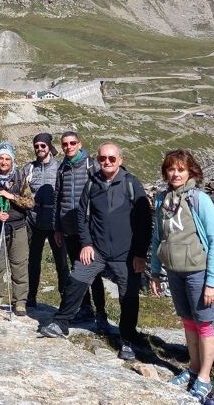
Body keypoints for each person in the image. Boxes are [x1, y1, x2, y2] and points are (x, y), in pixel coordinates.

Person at [39, 142, 151, 362]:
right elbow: (81, 216)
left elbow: (144, 221)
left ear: (120, 159)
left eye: (111, 158)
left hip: (125, 254)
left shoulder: (131, 183)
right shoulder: (92, 183)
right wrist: (87, 244)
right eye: (102, 159)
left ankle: (127, 338)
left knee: (128, 296)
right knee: (76, 279)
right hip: (97, 250)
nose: (106, 162)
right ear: (97, 160)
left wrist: (139, 254)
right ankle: (61, 323)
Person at [151, 149, 214, 404]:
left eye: (181, 169)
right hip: (174, 271)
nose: (175, 174)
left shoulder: (199, 199)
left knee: (204, 323)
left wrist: (212, 282)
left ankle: (204, 378)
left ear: (191, 171)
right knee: (188, 322)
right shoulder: (162, 200)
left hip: (197, 271)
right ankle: (193, 368)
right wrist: (155, 271)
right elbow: (157, 238)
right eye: (171, 169)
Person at [51, 131, 106, 326]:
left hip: (90, 230)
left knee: (94, 273)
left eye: (72, 143)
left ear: (79, 144)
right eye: (65, 144)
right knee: (77, 272)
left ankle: (101, 313)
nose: (69, 147)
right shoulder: (62, 168)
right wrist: (57, 228)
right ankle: (85, 309)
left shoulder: (92, 165)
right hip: (69, 228)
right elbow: (58, 198)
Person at [0, 141, 34, 316]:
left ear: (12, 161)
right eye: (1, 158)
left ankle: (20, 302)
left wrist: (12, 196)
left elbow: (30, 202)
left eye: (7, 159)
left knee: (19, 265)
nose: (3, 162)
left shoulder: (19, 177)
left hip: (17, 228)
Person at [24, 132, 67, 308]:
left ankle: (65, 299)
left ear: (49, 146)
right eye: (36, 146)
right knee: (33, 261)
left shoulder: (60, 167)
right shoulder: (28, 168)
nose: (39, 149)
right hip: (33, 221)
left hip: (55, 223)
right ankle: (31, 296)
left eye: (43, 145)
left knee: (61, 262)